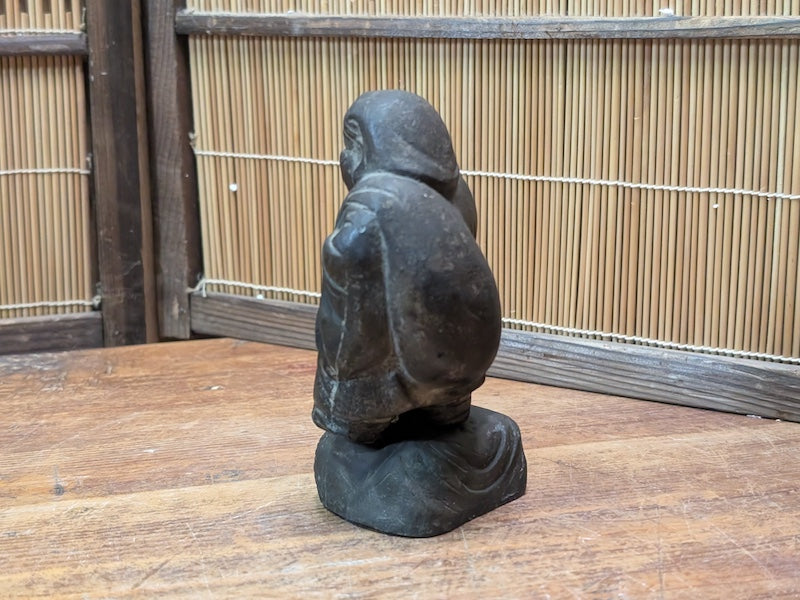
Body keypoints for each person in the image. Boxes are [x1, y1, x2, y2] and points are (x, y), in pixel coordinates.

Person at [312, 90, 501, 445]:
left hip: (386, 372)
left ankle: (364, 430)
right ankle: (449, 410)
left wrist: (336, 368)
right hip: (468, 357)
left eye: (351, 146)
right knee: (446, 399)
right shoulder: (458, 193)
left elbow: (349, 312)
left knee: (358, 403)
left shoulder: (368, 206)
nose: (345, 159)